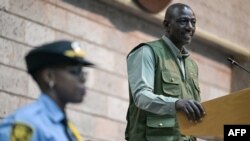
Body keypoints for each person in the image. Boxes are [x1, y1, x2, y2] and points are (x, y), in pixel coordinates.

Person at [125, 3, 205, 141]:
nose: (190, 27)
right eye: (183, 21)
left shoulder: (192, 65)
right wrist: (176, 103)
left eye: (193, 22)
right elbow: (141, 97)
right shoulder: (147, 52)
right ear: (167, 25)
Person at [0, 40, 94, 141]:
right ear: (49, 76)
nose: (82, 79)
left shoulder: (67, 128)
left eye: (83, 73)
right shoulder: (27, 123)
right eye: (74, 71)